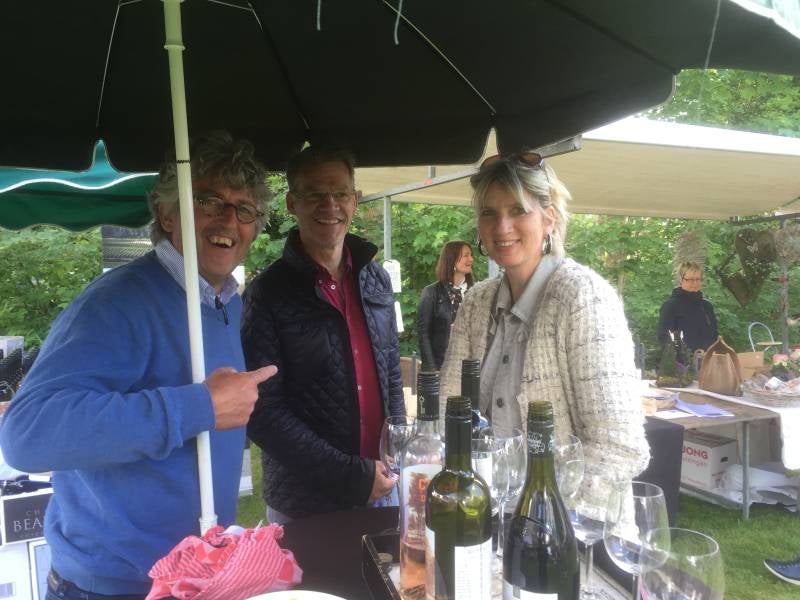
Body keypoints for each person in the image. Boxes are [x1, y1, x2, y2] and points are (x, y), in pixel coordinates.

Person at [0, 131, 276, 600]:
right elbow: (27, 434)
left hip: (199, 576)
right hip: (112, 588)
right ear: (167, 214)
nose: (229, 219)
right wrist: (199, 407)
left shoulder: (224, 301)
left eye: (244, 208)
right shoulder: (115, 303)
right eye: (207, 201)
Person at [439, 152, 650, 499]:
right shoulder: (476, 302)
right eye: (489, 213)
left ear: (549, 219)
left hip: (576, 523)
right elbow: (450, 411)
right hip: (485, 513)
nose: (502, 227)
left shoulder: (584, 297)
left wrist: (542, 517)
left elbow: (618, 448)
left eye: (517, 210)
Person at [242, 145, 404, 524]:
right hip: (305, 504)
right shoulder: (267, 294)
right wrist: (349, 476)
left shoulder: (376, 279)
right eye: (315, 194)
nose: (330, 205)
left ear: (355, 200)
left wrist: (398, 448)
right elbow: (263, 412)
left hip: (383, 486)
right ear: (291, 203)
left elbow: (391, 373)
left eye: (340, 193)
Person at [417, 241, 474, 370]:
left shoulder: (477, 292)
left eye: (471, 255)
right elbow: (423, 334)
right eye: (466, 255)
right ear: (452, 259)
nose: (471, 259)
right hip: (442, 366)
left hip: (471, 367)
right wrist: (431, 370)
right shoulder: (431, 293)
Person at [657, 261, 718, 352]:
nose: (695, 283)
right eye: (690, 279)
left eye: (698, 279)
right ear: (681, 280)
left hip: (708, 357)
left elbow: (714, 337)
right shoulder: (670, 306)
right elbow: (664, 337)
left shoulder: (707, 307)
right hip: (682, 359)